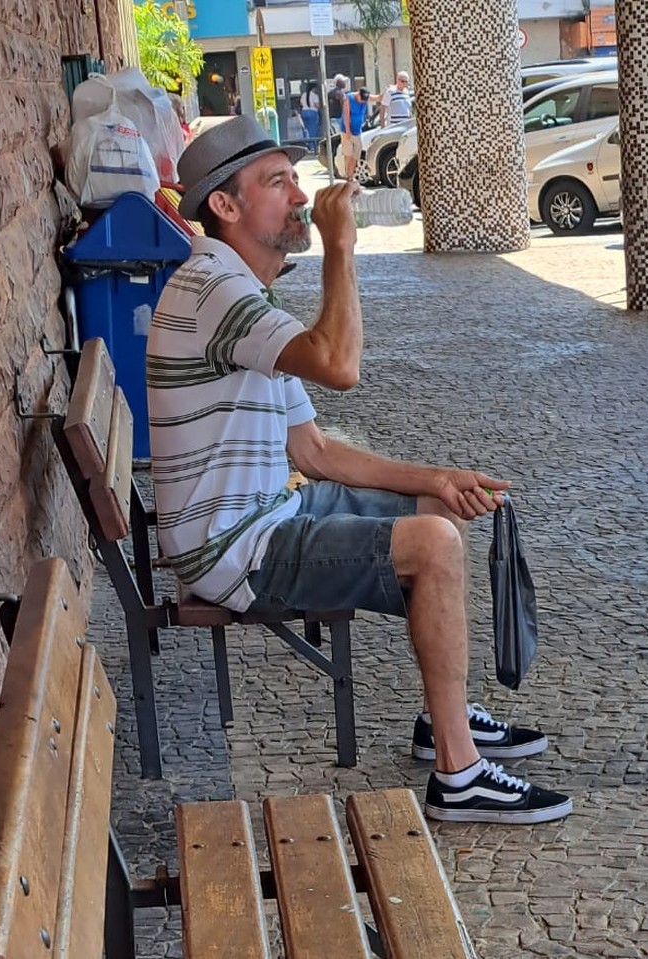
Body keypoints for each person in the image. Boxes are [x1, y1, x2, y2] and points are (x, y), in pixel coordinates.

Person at [146, 115, 572, 826]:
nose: (299, 196)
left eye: (294, 178)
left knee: (432, 519)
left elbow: (312, 451)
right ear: (225, 206)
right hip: (231, 550)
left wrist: (434, 479)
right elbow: (341, 366)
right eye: (276, 182)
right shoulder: (216, 290)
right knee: (431, 546)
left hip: (264, 517)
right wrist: (342, 246)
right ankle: (460, 775)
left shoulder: (241, 294)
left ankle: (447, 722)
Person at [340, 86, 381, 180]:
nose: (362, 101)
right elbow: (346, 116)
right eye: (361, 99)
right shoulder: (348, 98)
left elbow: (377, 97)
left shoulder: (365, 98)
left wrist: (387, 92)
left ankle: (351, 175)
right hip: (347, 131)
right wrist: (348, 131)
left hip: (357, 131)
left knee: (356, 155)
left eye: (364, 100)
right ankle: (348, 176)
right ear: (358, 93)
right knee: (348, 154)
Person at [300, 81, 322, 149]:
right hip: (312, 112)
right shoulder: (315, 95)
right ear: (314, 88)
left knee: (306, 129)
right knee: (312, 129)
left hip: (304, 112)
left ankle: (307, 144)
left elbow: (301, 103)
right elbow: (317, 105)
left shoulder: (304, 94)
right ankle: (312, 146)